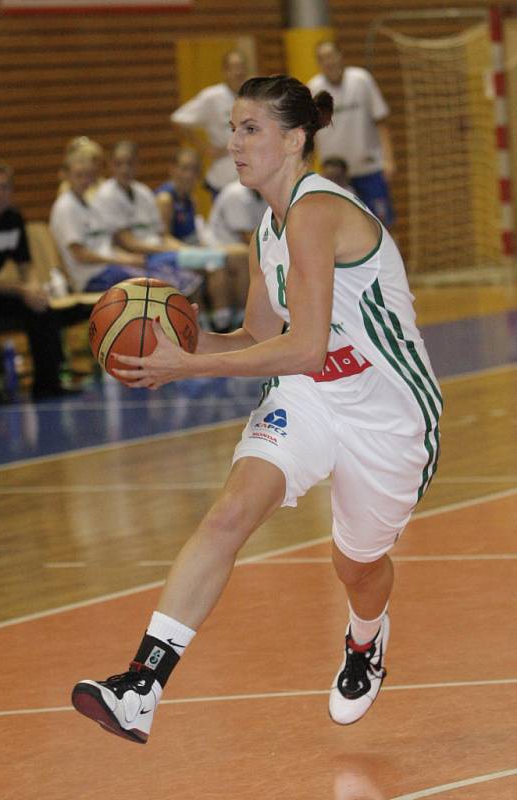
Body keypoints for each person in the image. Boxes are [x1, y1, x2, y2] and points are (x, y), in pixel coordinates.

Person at [71, 75, 442, 743]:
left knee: (357, 564)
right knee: (230, 512)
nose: (233, 142)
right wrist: (170, 344)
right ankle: (141, 684)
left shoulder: (317, 210)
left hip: (386, 408)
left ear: (294, 139)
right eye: (232, 129)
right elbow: (256, 337)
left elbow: (301, 346)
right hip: (310, 394)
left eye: (249, 129)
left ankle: (366, 639)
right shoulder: (264, 231)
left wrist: (193, 366)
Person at [0, 162, 70, 403]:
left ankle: (48, 380)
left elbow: (24, 265)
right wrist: (21, 289)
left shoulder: (13, 218)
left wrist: (33, 289)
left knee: (40, 305)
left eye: (4, 187)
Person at [93, 140, 231, 330]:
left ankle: (213, 324)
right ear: (110, 165)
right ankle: (208, 327)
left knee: (213, 261)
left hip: (160, 251)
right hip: (143, 256)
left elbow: (161, 234)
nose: (125, 169)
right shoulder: (107, 195)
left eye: (129, 163)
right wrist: (171, 249)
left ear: (137, 165)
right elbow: (127, 242)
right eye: (119, 163)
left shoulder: (142, 192)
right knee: (208, 264)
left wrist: (182, 248)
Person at [49, 150, 201, 298]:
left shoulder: (90, 206)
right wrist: (122, 260)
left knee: (174, 277)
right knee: (156, 286)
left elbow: (106, 246)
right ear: (65, 176)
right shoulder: (66, 207)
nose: (84, 181)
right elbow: (81, 254)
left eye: (88, 175)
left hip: (111, 267)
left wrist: (129, 258)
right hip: (92, 276)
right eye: (79, 176)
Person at [307, 41, 395, 227]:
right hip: (335, 176)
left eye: (331, 56)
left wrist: (388, 160)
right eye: (323, 59)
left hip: (369, 169)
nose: (329, 62)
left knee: (382, 225)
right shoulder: (314, 88)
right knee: (341, 229)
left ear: (341, 56)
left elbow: (381, 121)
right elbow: (310, 134)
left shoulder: (362, 79)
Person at [156, 147, 234, 331]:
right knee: (216, 262)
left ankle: (225, 319)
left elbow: (197, 235)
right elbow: (163, 238)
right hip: (167, 255)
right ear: (172, 169)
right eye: (184, 168)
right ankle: (216, 325)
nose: (188, 175)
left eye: (193, 170)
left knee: (226, 262)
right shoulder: (165, 198)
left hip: (186, 250)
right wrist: (195, 251)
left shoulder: (191, 199)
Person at [170, 49, 249, 196]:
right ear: (225, 71)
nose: (239, 72)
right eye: (234, 67)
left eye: (242, 66)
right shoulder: (212, 97)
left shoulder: (252, 96)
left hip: (249, 174)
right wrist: (204, 149)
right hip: (223, 174)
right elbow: (179, 120)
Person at [203, 178, 268, 322]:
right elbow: (249, 238)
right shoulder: (236, 194)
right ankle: (243, 316)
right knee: (247, 256)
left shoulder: (265, 193)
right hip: (216, 246)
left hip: (237, 246)